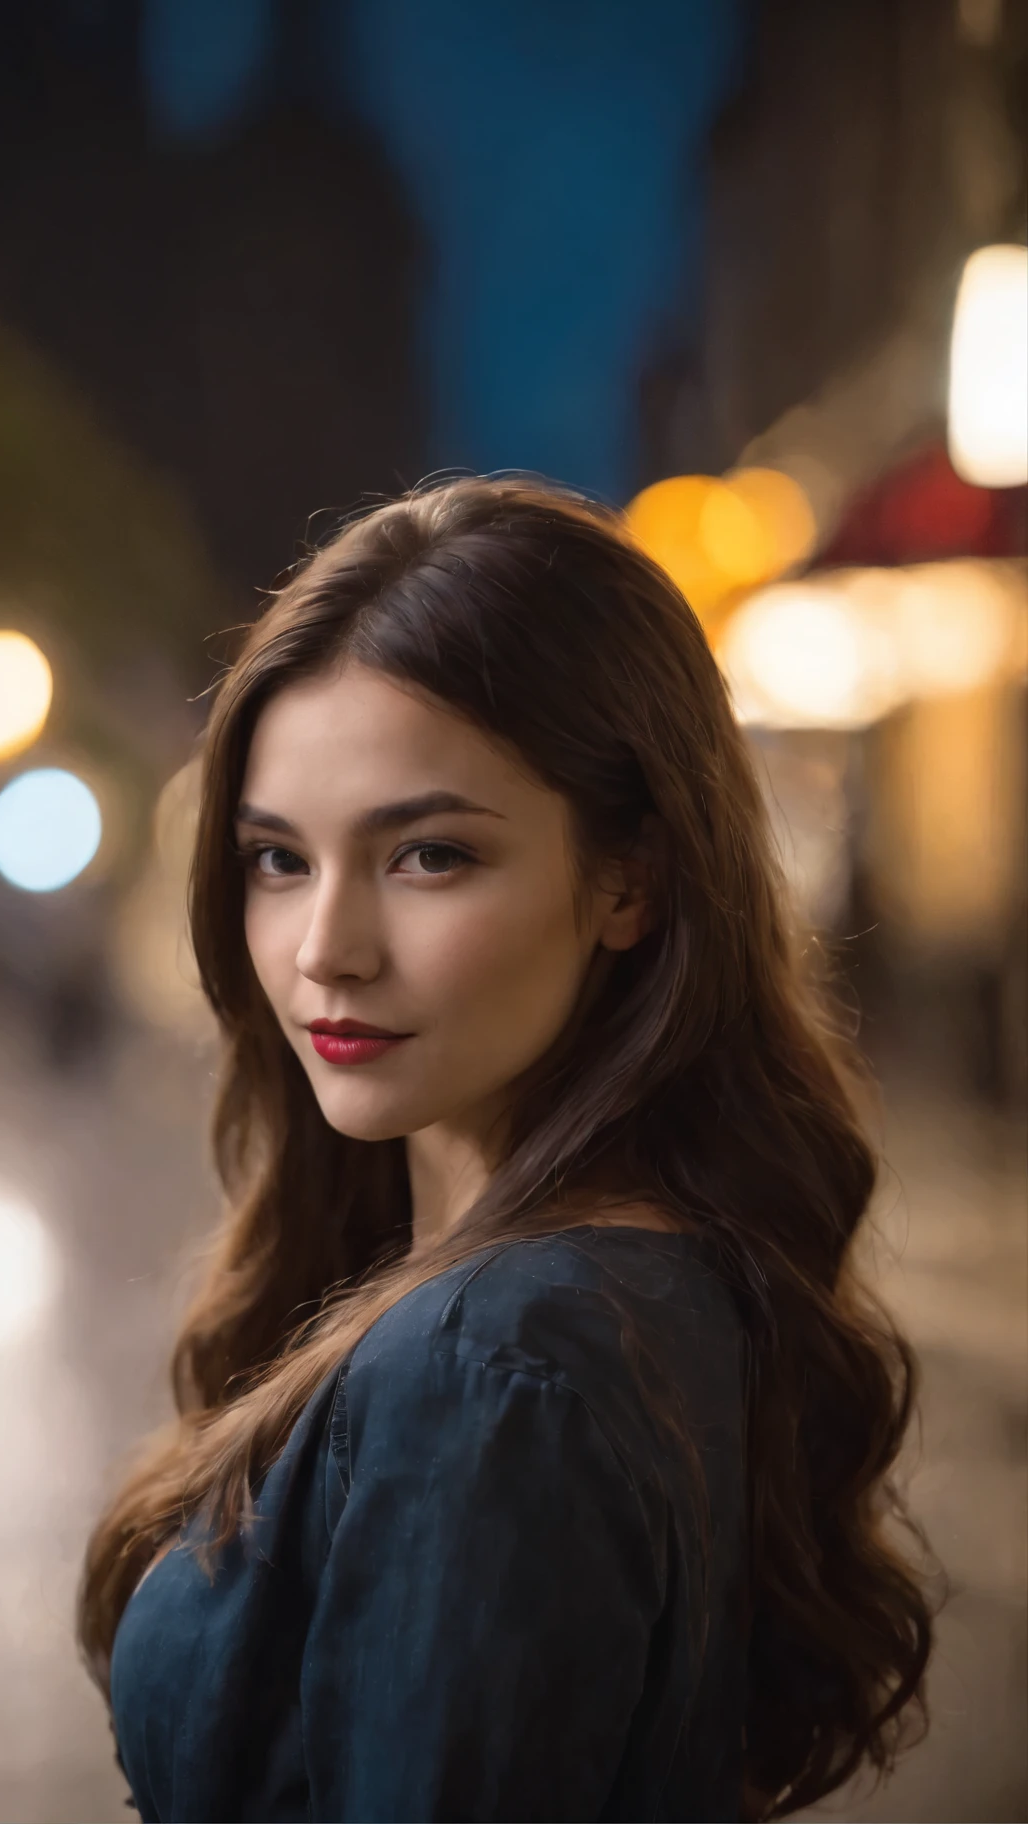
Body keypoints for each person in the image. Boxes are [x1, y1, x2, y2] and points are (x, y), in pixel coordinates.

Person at [79, 476, 933, 1821]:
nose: (325, 951)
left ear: (630, 880)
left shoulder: (492, 1372)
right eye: (277, 859)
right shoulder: (646, 1284)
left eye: (427, 855)